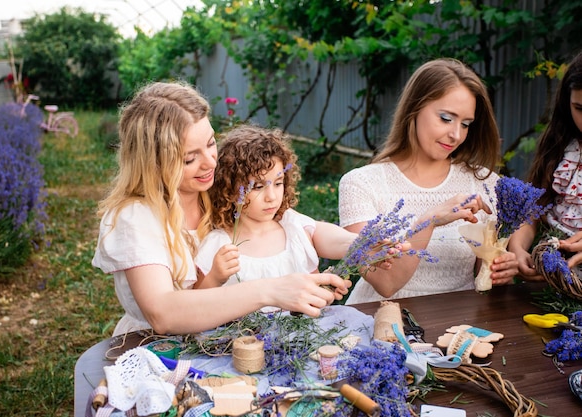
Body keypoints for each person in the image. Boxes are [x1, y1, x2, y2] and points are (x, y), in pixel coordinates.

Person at [91, 82, 350, 337]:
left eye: (211, 142)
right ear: (152, 163)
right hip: (157, 350)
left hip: (227, 341)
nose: (210, 162)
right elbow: (162, 314)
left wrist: (357, 245)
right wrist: (271, 291)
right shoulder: (137, 217)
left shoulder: (220, 193)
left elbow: (299, 227)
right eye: (189, 158)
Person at [338, 58, 519, 303]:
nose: (456, 134)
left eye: (465, 124)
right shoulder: (361, 184)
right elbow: (385, 283)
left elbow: (483, 280)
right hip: (379, 325)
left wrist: (500, 272)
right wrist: (429, 221)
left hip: (459, 331)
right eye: (446, 118)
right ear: (415, 108)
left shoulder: (484, 183)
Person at [194, 125, 401, 290]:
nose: (272, 197)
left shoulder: (291, 226)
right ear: (229, 189)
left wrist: (362, 245)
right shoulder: (220, 243)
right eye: (258, 187)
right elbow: (198, 304)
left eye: (278, 183)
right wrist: (214, 277)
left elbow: (328, 236)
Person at [508, 51, 582, 279]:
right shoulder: (561, 145)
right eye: (579, 109)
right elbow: (534, 211)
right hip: (550, 284)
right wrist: (518, 249)